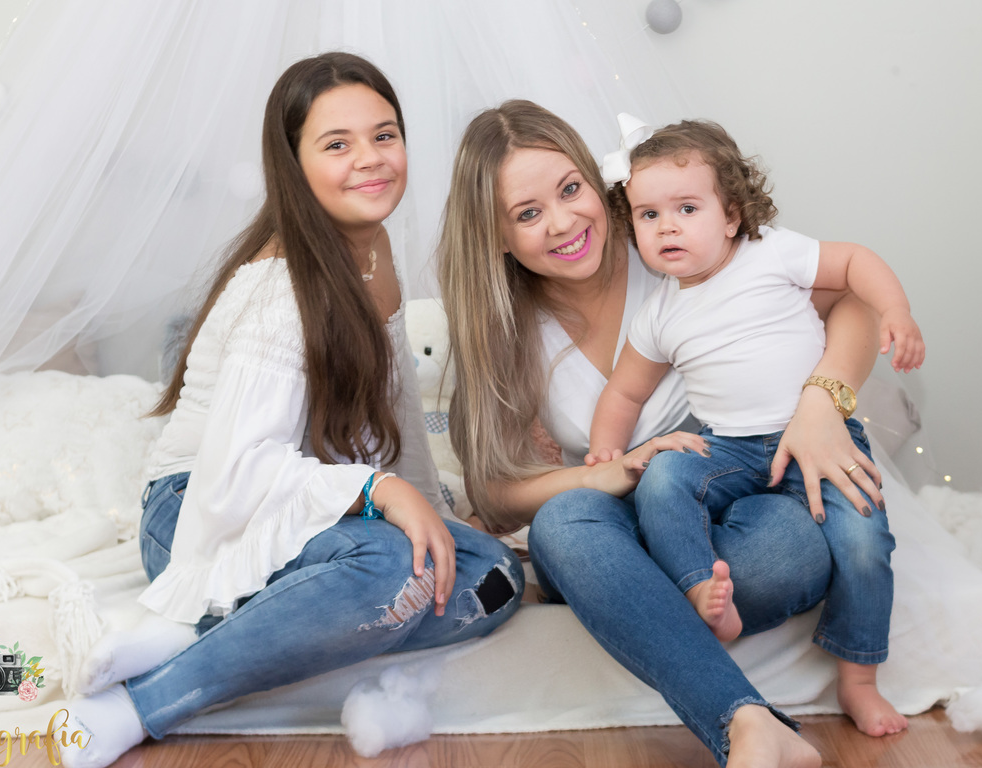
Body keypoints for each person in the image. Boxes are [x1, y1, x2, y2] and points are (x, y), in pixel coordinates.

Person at [61, 52, 524, 768]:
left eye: (385, 135)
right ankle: (146, 699)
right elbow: (238, 470)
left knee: (494, 576)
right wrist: (380, 491)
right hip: (201, 511)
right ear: (294, 163)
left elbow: (394, 419)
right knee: (391, 569)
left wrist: (434, 512)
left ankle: (226, 632)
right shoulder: (281, 287)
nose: (370, 160)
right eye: (337, 145)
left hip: (311, 509)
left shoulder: (372, 254)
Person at [438, 100, 887, 768]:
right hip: (618, 523)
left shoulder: (674, 241)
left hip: (738, 505)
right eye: (528, 213)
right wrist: (601, 474)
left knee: (800, 541)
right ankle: (743, 719)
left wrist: (824, 401)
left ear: (599, 183)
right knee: (564, 524)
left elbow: (853, 301)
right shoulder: (507, 330)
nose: (563, 222)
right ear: (497, 235)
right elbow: (499, 495)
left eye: (570, 190)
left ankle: (654, 626)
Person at [589, 118, 923, 738]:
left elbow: (855, 264)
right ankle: (698, 590)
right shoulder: (660, 313)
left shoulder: (772, 254)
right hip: (730, 448)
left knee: (865, 545)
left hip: (822, 439)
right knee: (664, 476)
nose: (666, 227)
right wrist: (606, 448)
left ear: (732, 215)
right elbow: (625, 389)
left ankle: (858, 678)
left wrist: (896, 310)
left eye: (687, 208)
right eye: (647, 215)